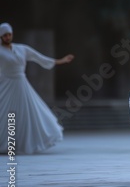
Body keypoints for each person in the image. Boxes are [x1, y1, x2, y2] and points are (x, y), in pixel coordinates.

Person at [0, 23, 74, 154]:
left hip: (21, 85)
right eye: (4, 35)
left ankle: (25, 143)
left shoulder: (22, 49)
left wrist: (61, 61)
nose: (7, 37)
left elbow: (40, 58)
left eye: (9, 34)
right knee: (5, 112)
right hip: (7, 84)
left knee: (28, 113)